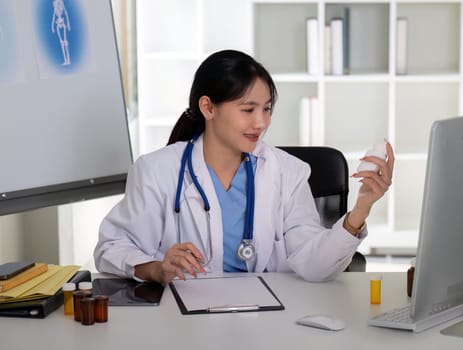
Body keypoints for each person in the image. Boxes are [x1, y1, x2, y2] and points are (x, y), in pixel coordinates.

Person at [94, 49, 394, 284]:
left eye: (266, 109)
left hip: (267, 317)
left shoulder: (286, 172)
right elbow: (111, 247)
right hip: (183, 319)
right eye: (248, 109)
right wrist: (157, 269)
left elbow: (313, 265)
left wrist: (360, 210)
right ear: (208, 107)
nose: (261, 122)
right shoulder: (157, 171)